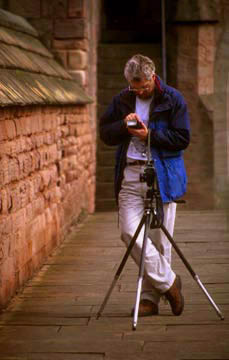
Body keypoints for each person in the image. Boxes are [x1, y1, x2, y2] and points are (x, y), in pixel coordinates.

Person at [99, 54, 190, 316]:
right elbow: (105, 133)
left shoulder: (173, 99)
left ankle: (150, 299)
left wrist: (149, 134)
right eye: (134, 87)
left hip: (161, 177)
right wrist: (123, 126)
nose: (139, 91)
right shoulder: (122, 99)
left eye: (143, 86)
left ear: (153, 77)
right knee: (129, 232)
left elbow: (182, 138)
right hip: (130, 175)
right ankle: (170, 282)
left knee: (161, 241)